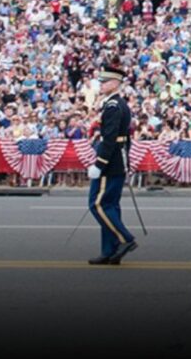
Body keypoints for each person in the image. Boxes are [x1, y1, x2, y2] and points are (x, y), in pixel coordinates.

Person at [87, 62, 138, 265]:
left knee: (98, 204)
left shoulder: (113, 106)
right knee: (110, 205)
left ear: (116, 83)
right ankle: (109, 250)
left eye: (105, 81)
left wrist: (99, 164)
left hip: (110, 160)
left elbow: (110, 138)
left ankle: (125, 238)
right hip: (118, 158)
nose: (101, 84)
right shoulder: (116, 104)